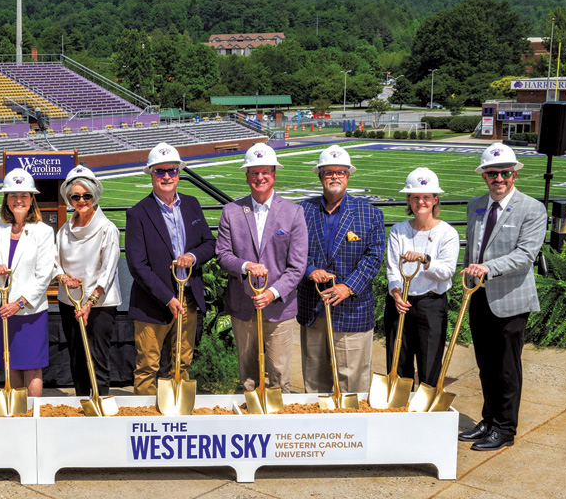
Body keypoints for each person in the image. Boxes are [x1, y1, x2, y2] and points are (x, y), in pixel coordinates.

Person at [459, 144, 548, 451]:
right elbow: (471, 249)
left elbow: (525, 254)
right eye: (492, 173)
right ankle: (489, 419)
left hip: (511, 300)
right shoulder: (475, 205)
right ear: (484, 176)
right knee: (485, 365)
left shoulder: (532, 208)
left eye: (505, 173)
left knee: (507, 367)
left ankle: (505, 428)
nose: (499, 178)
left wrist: (487, 268)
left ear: (514, 174)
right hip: (479, 296)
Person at [216, 143, 308, 393]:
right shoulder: (231, 211)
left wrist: (272, 293)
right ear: (247, 176)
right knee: (248, 377)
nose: (260, 177)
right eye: (254, 172)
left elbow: (297, 266)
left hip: (279, 307)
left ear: (274, 175)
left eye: (265, 172)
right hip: (243, 306)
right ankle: (250, 424)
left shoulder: (293, 212)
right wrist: (245, 266)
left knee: (279, 375)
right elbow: (222, 255)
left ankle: (278, 426)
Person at [126, 144, 216, 395]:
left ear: (179, 174)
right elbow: (137, 265)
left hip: (187, 297)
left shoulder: (192, 204)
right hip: (154, 301)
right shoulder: (138, 213)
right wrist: (168, 298)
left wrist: (192, 256)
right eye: (160, 171)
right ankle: (145, 420)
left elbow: (210, 244)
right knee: (148, 365)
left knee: (181, 362)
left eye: (172, 171)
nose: (167, 176)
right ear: (151, 174)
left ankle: (178, 417)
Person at [297, 145, 385, 396]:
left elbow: (375, 256)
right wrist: (310, 269)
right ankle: (319, 431)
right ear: (319, 176)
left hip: (352, 310)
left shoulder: (370, 213)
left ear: (348, 176)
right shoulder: (302, 210)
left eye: (340, 172)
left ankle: (352, 432)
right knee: (315, 379)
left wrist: (348, 287)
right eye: (328, 172)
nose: (334, 176)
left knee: (352, 382)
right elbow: (292, 250)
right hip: (313, 308)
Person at [0, 168, 56, 397]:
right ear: (6, 200)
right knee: (10, 364)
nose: (18, 200)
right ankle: (16, 415)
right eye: (13, 195)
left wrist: (19, 304)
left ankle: (33, 417)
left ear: (32, 199)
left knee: (32, 367)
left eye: (24, 195)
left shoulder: (43, 232)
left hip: (29, 312)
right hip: (1, 308)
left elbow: (44, 275)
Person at [384, 167, 460, 387]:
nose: (421, 202)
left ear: (435, 199)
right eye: (415, 197)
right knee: (398, 365)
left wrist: (425, 260)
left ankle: (427, 415)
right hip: (400, 303)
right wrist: (396, 293)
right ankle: (399, 411)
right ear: (408, 199)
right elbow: (392, 269)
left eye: (426, 197)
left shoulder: (447, 233)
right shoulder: (398, 231)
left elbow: (447, 271)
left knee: (429, 367)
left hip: (431, 305)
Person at [53, 165, 121, 396]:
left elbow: (109, 270)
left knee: (97, 359)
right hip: (70, 302)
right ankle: (83, 401)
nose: (81, 201)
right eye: (75, 196)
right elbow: (54, 262)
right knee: (77, 358)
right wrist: (63, 278)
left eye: (86, 196)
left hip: (99, 304)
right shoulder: (63, 230)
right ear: (69, 199)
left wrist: (90, 302)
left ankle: (99, 403)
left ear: (95, 195)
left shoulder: (107, 229)